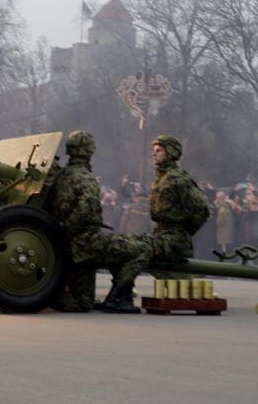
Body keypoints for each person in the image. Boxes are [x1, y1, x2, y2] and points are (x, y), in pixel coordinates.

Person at [50, 131, 152, 314]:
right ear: (89, 151)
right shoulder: (86, 178)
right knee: (142, 249)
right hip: (85, 243)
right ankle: (116, 299)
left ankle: (55, 296)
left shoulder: (61, 175)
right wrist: (77, 228)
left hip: (65, 244)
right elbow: (86, 213)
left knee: (83, 303)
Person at [147, 135, 209, 264]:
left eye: (159, 150)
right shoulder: (161, 179)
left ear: (170, 153)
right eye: (154, 150)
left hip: (174, 240)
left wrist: (184, 232)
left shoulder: (178, 179)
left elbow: (201, 211)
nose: (154, 154)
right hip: (161, 235)